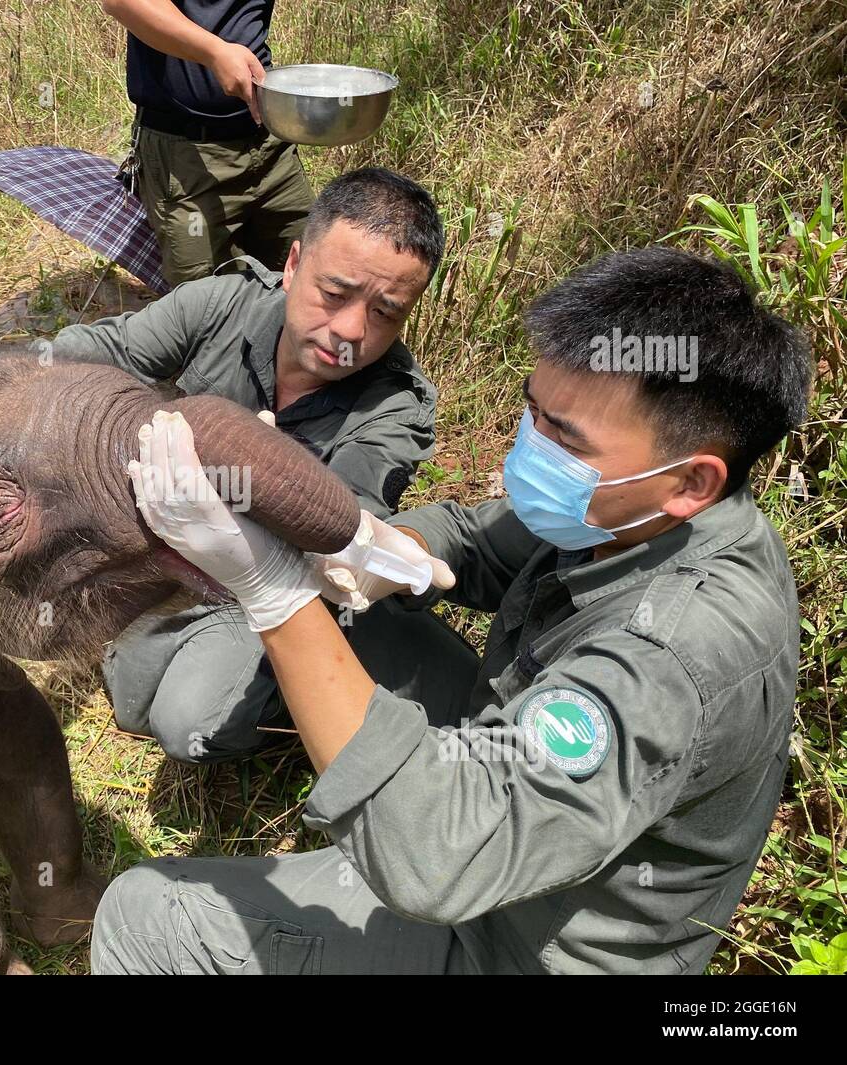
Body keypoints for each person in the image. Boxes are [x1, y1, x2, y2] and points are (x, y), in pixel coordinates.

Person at [94, 246, 810, 974]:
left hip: (515, 946)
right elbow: (478, 539)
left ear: (691, 479)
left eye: (563, 434)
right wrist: (374, 547)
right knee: (365, 623)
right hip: (512, 850)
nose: (530, 444)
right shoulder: (635, 512)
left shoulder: (668, 657)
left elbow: (436, 857)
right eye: (533, 409)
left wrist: (277, 592)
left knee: (148, 913)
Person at [53, 168, 449, 763]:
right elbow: (104, 350)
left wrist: (262, 483)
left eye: (385, 314)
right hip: (171, 551)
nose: (348, 332)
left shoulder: (394, 409)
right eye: (334, 293)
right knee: (131, 695)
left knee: (190, 721)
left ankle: (324, 696)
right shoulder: (225, 302)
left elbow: (341, 531)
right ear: (292, 264)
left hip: (268, 588)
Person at [101, 0, 315, 286]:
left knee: (308, 278)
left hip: (271, 145)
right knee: (204, 305)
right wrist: (214, 53)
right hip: (187, 160)